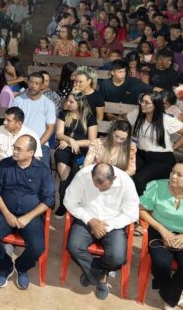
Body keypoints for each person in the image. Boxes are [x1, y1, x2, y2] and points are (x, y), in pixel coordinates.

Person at [0, 134, 55, 290]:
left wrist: (27, 217)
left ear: (30, 153)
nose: (14, 151)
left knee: (37, 247)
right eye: (14, 147)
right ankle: (5, 266)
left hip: (30, 216)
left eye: (19, 149)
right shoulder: (4, 165)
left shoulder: (42, 171)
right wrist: (6, 213)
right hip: (5, 213)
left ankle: (22, 267)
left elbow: (49, 199)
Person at [64, 163, 139, 300]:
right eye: (95, 185)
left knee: (117, 258)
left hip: (113, 223)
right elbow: (69, 201)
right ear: (91, 175)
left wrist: (107, 226)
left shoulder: (126, 182)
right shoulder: (83, 175)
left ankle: (91, 272)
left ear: (114, 178)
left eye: (103, 187)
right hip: (86, 218)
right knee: (74, 246)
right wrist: (90, 220)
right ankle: (101, 276)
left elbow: (132, 213)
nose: (98, 189)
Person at [0, 108, 42, 253]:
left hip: (20, 175)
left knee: (18, 197)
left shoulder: (30, 136)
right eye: (5, 119)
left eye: (9, 120)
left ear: (19, 123)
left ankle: (10, 239)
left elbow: (37, 160)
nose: (4, 122)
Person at [139, 161, 183, 310]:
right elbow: (142, 210)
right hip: (158, 229)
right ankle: (174, 292)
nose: (173, 176)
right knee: (162, 262)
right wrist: (162, 230)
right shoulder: (157, 186)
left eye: (179, 174)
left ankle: (169, 296)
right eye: (172, 172)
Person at [127, 92, 183, 195]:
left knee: (140, 179)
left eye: (147, 103)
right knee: (126, 172)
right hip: (140, 154)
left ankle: (141, 207)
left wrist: (174, 147)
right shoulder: (137, 115)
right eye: (142, 101)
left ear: (156, 104)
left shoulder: (166, 119)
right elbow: (128, 126)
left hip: (161, 158)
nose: (142, 104)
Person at [54, 91, 98, 218]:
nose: (68, 103)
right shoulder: (64, 114)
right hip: (65, 148)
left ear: (80, 103)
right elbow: (59, 134)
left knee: (74, 172)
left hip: (82, 150)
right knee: (63, 173)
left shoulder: (89, 117)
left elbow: (91, 140)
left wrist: (75, 143)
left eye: (71, 102)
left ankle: (71, 204)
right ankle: (63, 204)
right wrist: (70, 141)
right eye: (68, 100)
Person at [13, 72, 56, 169]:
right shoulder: (18, 100)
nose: (33, 86)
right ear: (27, 82)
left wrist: (36, 145)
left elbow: (50, 129)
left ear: (42, 86)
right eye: (31, 82)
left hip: (41, 144)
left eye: (36, 83)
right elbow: (13, 123)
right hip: (19, 143)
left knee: (44, 174)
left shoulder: (49, 104)